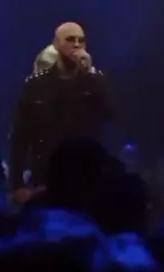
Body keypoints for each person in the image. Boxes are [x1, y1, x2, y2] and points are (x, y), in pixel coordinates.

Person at [8, 22, 113, 202]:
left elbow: (112, 112)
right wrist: (17, 184)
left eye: (81, 40)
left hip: (85, 176)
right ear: (56, 44)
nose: (77, 45)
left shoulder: (94, 82)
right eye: (70, 40)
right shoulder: (36, 85)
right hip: (45, 176)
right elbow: (20, 136)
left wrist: (90, 74)